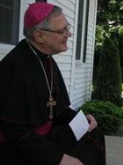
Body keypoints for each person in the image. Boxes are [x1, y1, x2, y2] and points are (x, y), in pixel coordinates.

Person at [0, 2, 105, 165]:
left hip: (44, 140)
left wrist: (80, 119)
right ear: (39, 36)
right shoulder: (13, 68)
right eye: (62, 30)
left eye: (67, 27)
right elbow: (16, 133)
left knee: (93, 132)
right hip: (19, 151)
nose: (69, 34)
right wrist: (59, 158)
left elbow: (54, 108)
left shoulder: (45, 58)